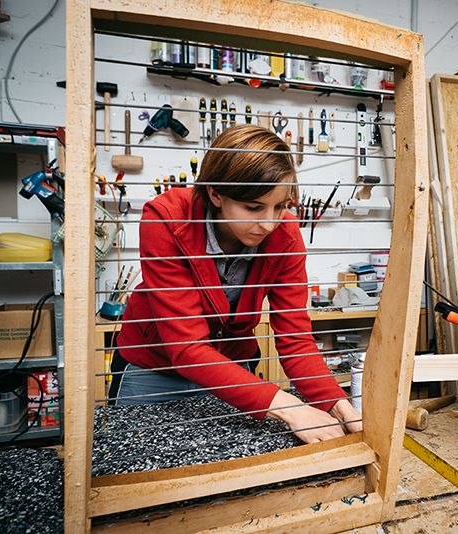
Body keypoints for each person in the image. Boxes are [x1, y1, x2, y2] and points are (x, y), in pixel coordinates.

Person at [111, 124, 362, 443]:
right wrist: (289, 407)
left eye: (280, 206)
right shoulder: (166, 218)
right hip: (153, 371)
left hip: (234, 373)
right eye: (254, 207)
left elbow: (295, 339)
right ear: (215, 193)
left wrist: (337, 403)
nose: (269, 223)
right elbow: (187, 347)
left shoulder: (285, 235)